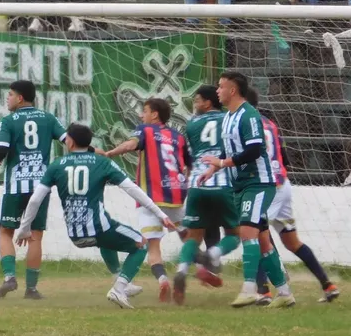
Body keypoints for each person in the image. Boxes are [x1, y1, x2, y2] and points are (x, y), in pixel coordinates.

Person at [15, 122, 177, 310]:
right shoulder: (101, 163)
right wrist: (160, 213)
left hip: (76, 234)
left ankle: (119, 278)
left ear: (71, 143)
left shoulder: (56, 165)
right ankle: (119, 287)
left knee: (107, 239)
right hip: (99, 228)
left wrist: (24, 228)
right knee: (142, 244)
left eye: (67, 137)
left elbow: (35, 200)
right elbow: (132, 189)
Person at [198, 71, 293, 308]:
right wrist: (213, 169)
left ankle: (250, 288)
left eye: (220, 87)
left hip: (257, 183)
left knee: (246, 233)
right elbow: (229, 150)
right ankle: (284, 293)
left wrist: (223, 163)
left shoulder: (249, 115)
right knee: (263, 242)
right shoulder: (228, 116)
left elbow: (253, 151)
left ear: (232, 90)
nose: (217, 91)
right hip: (240, 185)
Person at [248, 89, 339, 304]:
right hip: (283, 184)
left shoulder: (246, 124)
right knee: (292, 242)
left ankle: (264, 291)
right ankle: (328, 285)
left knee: (255, 235)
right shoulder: (270, 124)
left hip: (268, 186)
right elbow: (285, 159)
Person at [104, 98, 188, 302]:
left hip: (150, 197)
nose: (141, 115)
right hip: (176, 195)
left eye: (145, 111)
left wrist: (110, 152)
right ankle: (193, 269)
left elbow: (130, 145)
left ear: (155, 114)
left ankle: (162, 280)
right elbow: (186, 167)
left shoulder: (145, 130)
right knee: (187, 237)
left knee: (153, 246)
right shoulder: (178, 136)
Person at [0, 80, 65, 300]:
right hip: (40, 187)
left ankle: (9, 278)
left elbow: (2, 147)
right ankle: (31, 289)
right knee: (35, 237)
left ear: (20, 98)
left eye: (10, 94)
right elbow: (66, 139)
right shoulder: (48, 118)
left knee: (5, 231)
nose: (8, 98)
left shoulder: (9, 120)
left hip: (16, 186)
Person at [173, 86, 240, 305]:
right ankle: (213, 255)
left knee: (193, 236)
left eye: (198, 100)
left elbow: (189, 157)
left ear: (208, 103)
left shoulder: (191, 124)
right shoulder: (229, 119)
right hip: (223, 183)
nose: (195, 104)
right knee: (235, 234)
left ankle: (182, 271)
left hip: (196, 185)